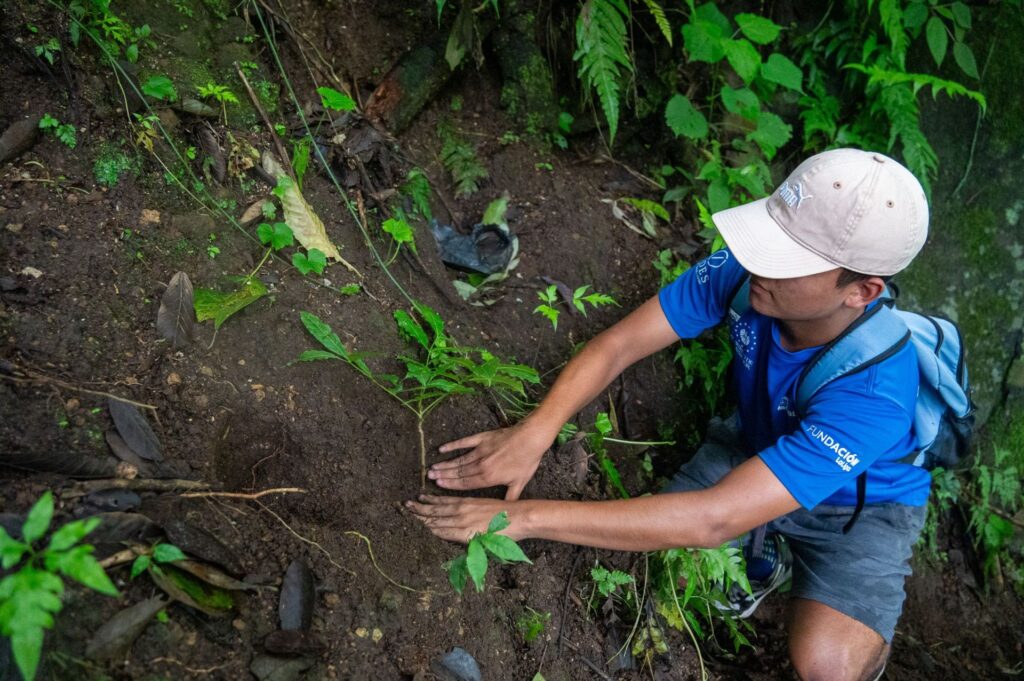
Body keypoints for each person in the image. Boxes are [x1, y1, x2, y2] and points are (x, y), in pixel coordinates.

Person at [407, 148, 932, 681]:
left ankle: (798, 580)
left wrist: (524, 518)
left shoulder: (876, 392)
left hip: (856, 512)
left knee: (826, 668)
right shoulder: (749, 276)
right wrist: (535, 431)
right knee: (654, 570)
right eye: (770, 240)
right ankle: (762, 553)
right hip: (753, 448)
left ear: (861, 292)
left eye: (790, 261)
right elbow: (619, 345)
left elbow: (711, 518)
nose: (758, 263)